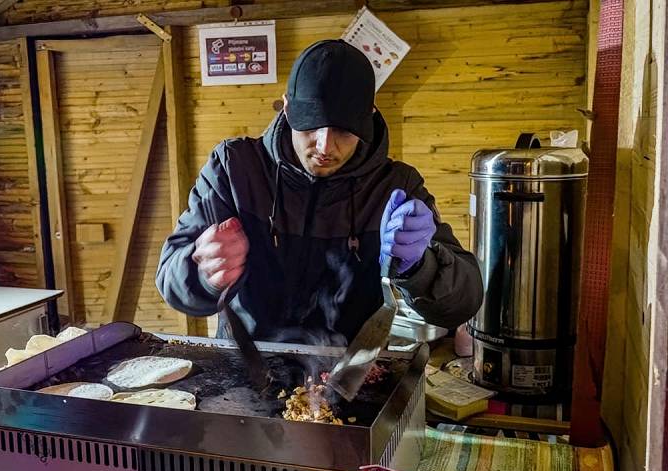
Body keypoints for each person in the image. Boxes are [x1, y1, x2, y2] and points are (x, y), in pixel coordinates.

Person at [157, 39, 482, 345]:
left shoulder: (396, 187)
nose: (325, 146)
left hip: (351, 375)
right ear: (287, 109)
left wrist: (420, 266)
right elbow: (171, 282)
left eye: (343, 129)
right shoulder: (234, 168)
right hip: (246, 370)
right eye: (311, 124)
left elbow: (463, 302)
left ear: (367, 117)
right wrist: (202, 272)